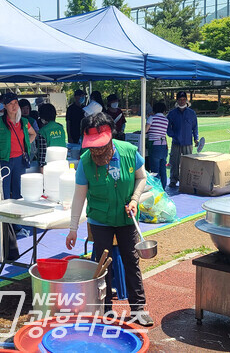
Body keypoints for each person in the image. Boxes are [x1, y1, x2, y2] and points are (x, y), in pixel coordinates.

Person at [65, 113, 152, 326]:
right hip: (100, 220)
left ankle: (138, 309)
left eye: (100, 145)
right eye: (91, 146)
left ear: (111, 137)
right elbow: (79, 196)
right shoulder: (85, 162)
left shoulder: (130, 152)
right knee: (103, 265)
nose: (95, 150)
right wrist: (73, 228)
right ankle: (105, 310)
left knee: (131, 261)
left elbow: (142, 177)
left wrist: (134, 199)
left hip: (126, 218)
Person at [0, 92, 36, 261]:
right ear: (4, 106)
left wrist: (26, 145)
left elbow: (33, 134)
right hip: (4, 160)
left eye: (16, 103)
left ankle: (17, 226)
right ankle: (6, 227)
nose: (14, 106)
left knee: (17, 193)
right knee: (3, 193)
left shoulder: (24, 121)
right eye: (11, 103)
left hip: (19, 160)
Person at [166, 91, 199, 188]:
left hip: (188, 143)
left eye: (184, 99)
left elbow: (195, 127)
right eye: (180, 100)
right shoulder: (172, 113)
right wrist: (173, 135)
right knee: (174, 163)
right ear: (177, 100)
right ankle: (173, 180)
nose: (182, 101)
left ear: (186, 100)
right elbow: (168, 127)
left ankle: (186, 180)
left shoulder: (192, 113)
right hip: (176, 142)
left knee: (188, 163)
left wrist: (196, 138)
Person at [36, 103, 67, 172]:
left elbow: (42, 155)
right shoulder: (60, 127)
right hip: (62, 163)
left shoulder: (42, 131)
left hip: (49, 167)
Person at [145, 102, 169, 189]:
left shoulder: (152, 118)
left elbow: (145, 130)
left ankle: (157, 189)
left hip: (155, 146)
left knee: (155, 170)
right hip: (164, 145)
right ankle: (163, 188)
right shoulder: (166, 120)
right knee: (163, 169)